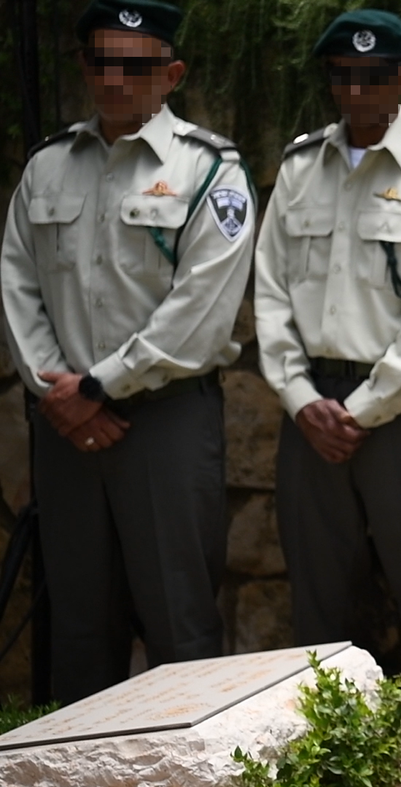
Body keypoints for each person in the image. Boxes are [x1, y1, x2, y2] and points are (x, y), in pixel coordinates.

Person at [0, 0, 253, 704]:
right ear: (83, 66)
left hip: (164, 421)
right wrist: (60, 391)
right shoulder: (49, 165)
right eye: (100, 61)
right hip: (65, 426)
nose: (115, 79)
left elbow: (200, 309)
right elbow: (16, 280)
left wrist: (98, 387)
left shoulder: (211, 171)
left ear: (171, 73)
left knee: (181, 623)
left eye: (136, 65)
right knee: (79, 625)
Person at [253, 9, 401, 751]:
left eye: (374, 75)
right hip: (309, 405)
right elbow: (272, 291)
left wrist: (365, 407)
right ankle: (331, 751)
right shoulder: (300, 165)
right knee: (319, 603)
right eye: (343, 75)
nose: (356, 89)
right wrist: (297, 396)